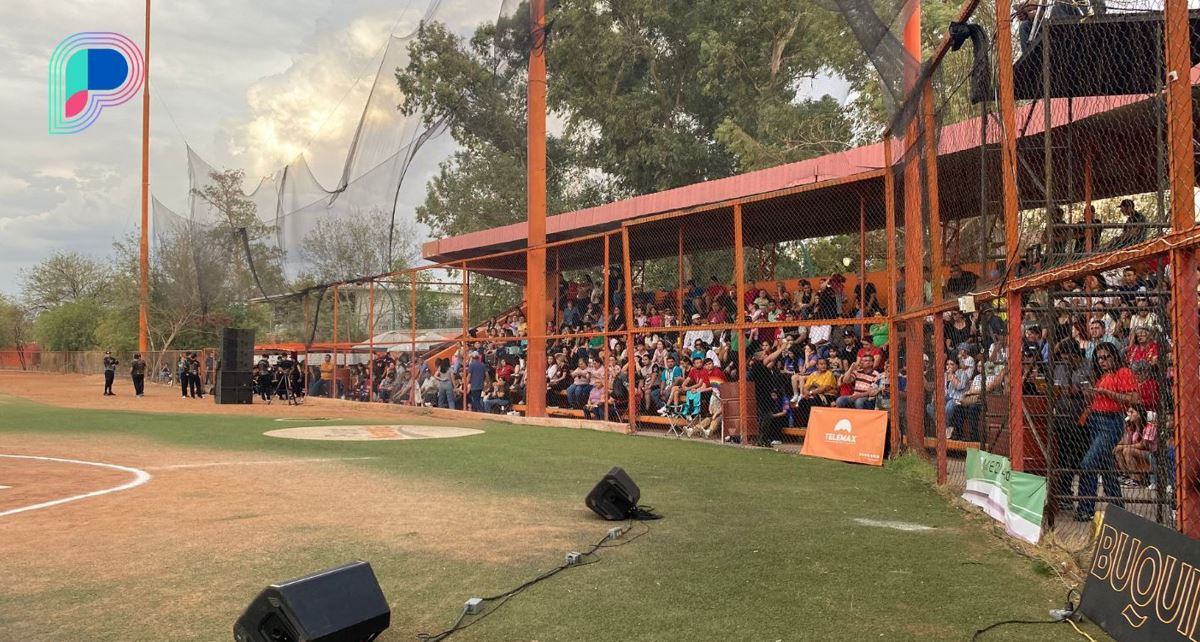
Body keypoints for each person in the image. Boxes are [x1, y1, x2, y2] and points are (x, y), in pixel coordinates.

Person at [1075, 342, 1137, 521]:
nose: (1102, 361)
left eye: (1105, 357)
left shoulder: (1123, 372)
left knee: (1088, 464)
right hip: (1095, 420)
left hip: (1110, 422)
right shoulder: (1103, 375)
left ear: (1114, 356)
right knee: (1105, 467)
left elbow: (1133, 398)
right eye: (1099, 358)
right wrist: (1092, 394)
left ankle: (1085, 508)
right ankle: (1118, 509)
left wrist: (1107, 393)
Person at [1115, 408, 1157, 487]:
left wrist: (1123, 446)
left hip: (1151, 453)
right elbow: (1125, 441)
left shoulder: (1149, 426)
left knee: (1127, 451)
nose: (1129, 414)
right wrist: (1127, 430)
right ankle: (1126, 476)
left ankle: (1136, 480)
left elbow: (1143, 445)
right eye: (1128, 412)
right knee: (1118, 450)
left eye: (1132, 412)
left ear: (1139, 414)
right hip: (1138, 452)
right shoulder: (1132, 428)